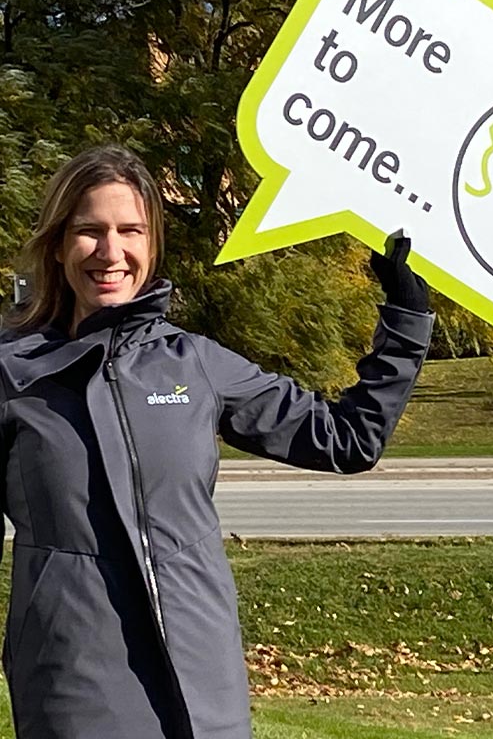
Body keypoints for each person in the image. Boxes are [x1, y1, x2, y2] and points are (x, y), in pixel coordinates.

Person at [0, 145, 434, 739]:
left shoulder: (196, 363)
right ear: (58, 243)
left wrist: (406, 323)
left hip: (201, 672)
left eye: (130, 230)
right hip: (72, 674)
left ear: (152, 245)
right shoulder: (14, 375)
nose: (110, 252)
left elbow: (348, 439)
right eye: (88, 231)